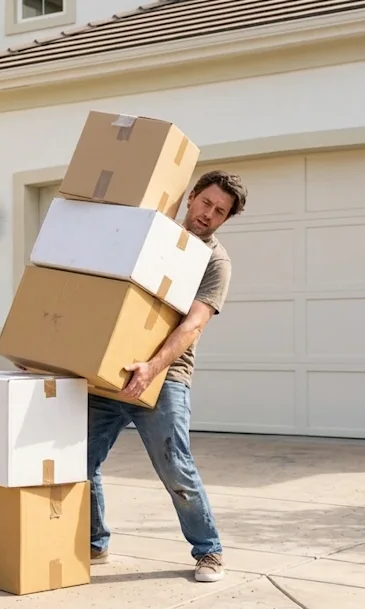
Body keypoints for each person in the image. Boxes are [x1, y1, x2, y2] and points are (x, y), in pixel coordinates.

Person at [87, 170, 247, 583]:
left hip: (166, 375)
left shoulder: (215, 262)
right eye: (206, 202)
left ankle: (209, 551)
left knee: (175, 466)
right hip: (114, 367)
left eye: (220, 211)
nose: (208, 214)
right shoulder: (152, 236)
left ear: (226, 219)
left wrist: (152, 368)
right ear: (191, 197)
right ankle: (95, 541)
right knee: (79, 459)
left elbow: (193, 324)